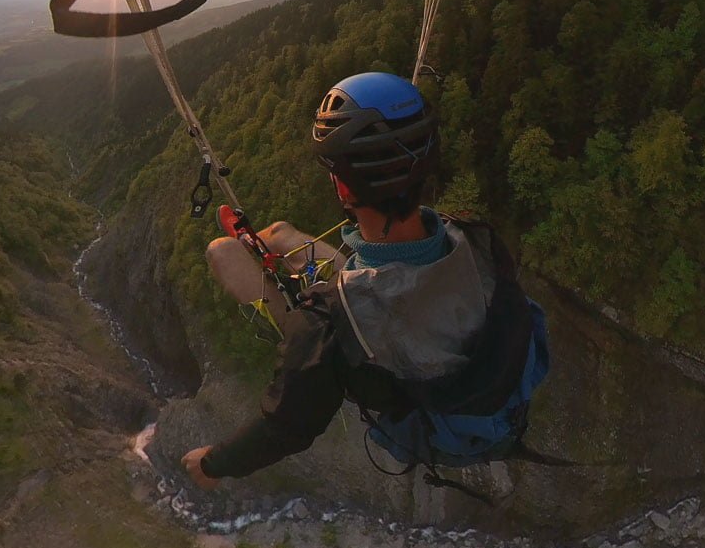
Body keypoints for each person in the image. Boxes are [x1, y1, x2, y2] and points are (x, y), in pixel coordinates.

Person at [182, 72, 549, 491]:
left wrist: (211, 464)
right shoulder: (476, 241)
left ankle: (267, 278)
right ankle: (265, 245)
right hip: (413, 320)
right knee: (282, 233)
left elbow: (285, 428)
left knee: (221, 252)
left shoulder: (326, 326)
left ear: (342, 186)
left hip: (380, 362)